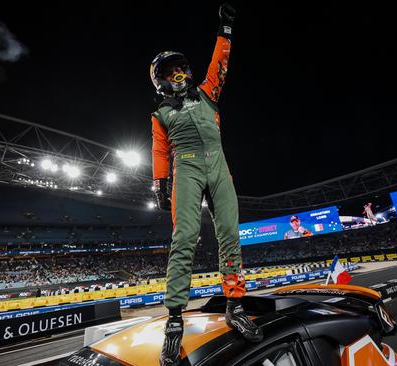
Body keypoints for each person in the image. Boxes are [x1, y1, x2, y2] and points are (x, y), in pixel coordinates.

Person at [149, 4, 263, 365]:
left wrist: (225, 29)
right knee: (184, 239)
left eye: (181, 68)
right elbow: (159, 149)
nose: (180, 74)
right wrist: (160, 184)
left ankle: (235, 304)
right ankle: (173, 320)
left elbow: (220, 64)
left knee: (229, 232)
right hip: (186, 168)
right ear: (160, 79)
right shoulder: (160, 113)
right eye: (172, 71)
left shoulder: (207, 93)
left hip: (218, 164)